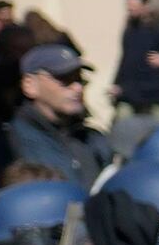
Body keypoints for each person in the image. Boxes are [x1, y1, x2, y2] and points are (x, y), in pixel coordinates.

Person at [6, 43, 104, 187]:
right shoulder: (9, 142)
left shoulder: (92, 139)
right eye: (64, 78)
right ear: (30, 85)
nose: (77, 88)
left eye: (79, 79)